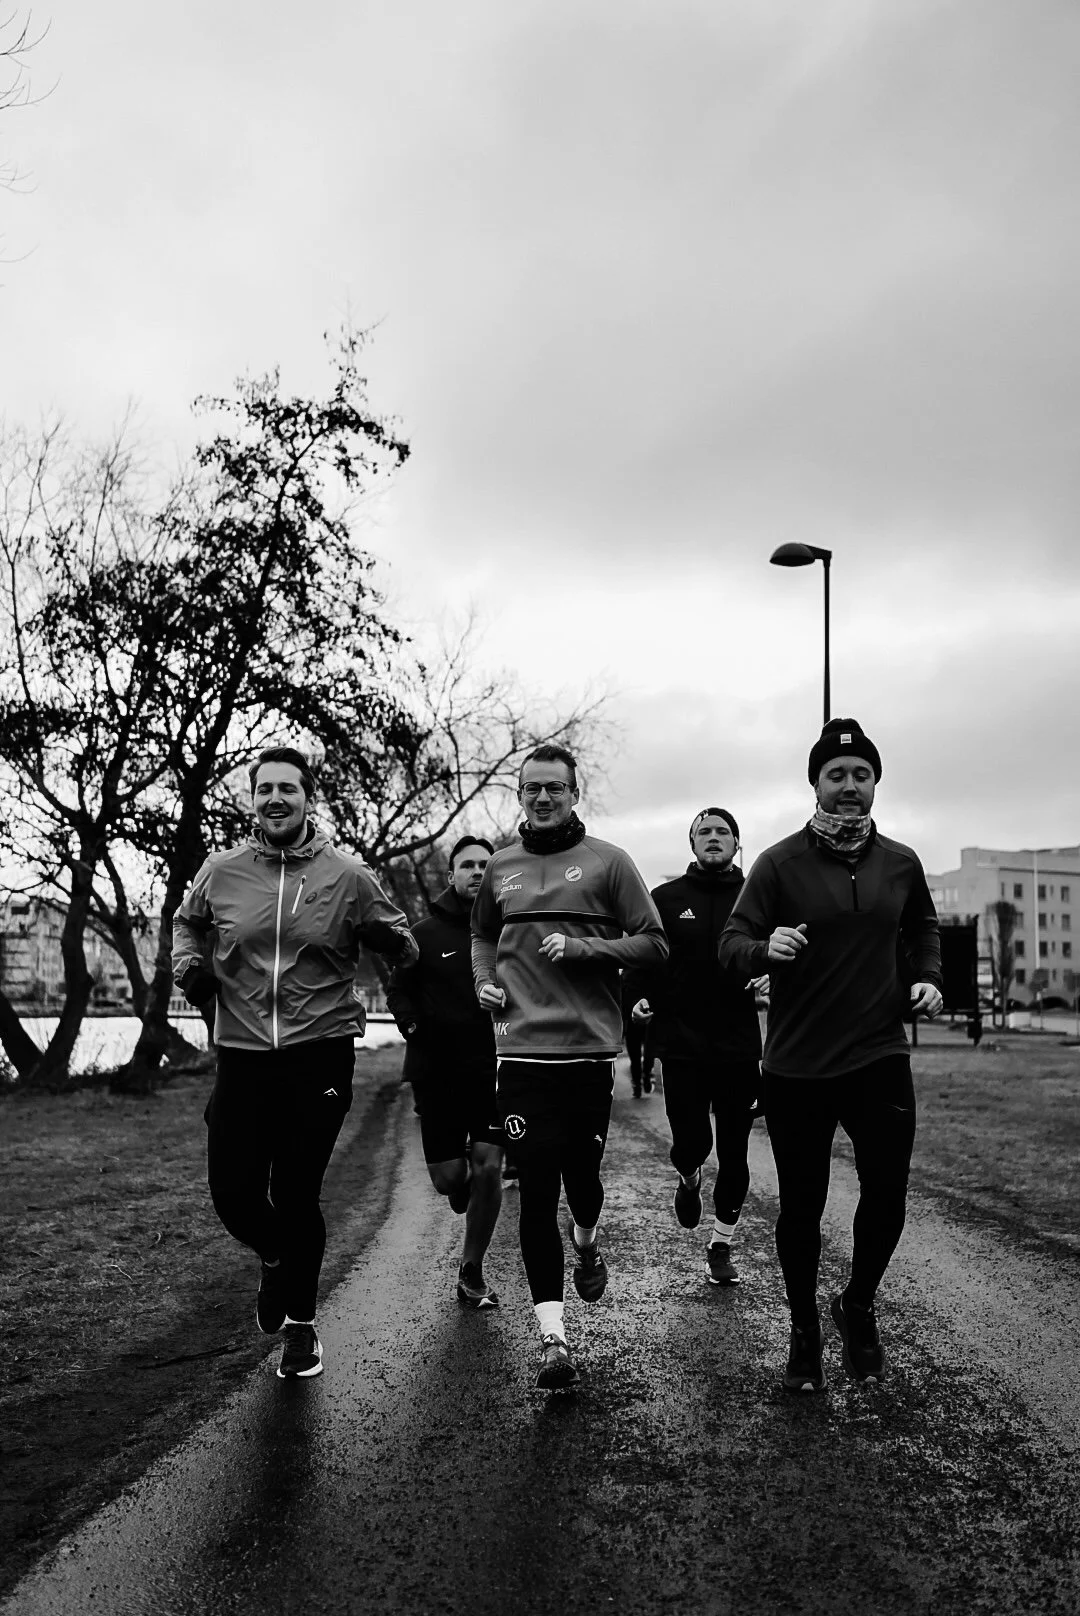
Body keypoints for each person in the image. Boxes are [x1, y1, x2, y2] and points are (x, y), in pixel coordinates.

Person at [172, 746, 417, 1381]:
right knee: (232, 1192)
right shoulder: (221, 870)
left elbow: (404, 942)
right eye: (264, 790)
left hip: (320, 1055)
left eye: (289, 789)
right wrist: (191, 969)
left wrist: (393, 942)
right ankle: (278, 1259)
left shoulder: (347, 876)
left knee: (297, 1190)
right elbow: (185, 923)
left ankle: (302, 1329)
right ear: (252, 801)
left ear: (310, 799)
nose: (276, 798)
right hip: (244, 1055)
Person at [719, 718, 942, 1393]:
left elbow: (923, 924)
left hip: (878, 1055)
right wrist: (766, 950)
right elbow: (731, 942)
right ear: (815, 783)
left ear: (875, 783)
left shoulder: (900, 862)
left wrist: (927, 976)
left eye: (861, 774)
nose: (849, 786)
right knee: (802, 1208)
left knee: (889, 1196)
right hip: (798, 1067)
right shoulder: (779, 863)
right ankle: (804, 1331)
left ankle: (858, 1302)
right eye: (836, 774)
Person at [470, 743, 668, 1390]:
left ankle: (586, 1241)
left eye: (555, 788)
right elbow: (481, 937)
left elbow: (655, 942)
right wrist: (483, 982)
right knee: (536, 1190)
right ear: (519, 794)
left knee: (583, 1183)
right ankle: (553, 1339)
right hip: (521, 1054)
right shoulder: (501, 867)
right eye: (532, 788)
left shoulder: (610, 863)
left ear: (574, 794)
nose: (543, 798)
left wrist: (587, 949)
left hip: (586, 1054)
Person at [627, 808, 763, 1286]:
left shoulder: (756, 898)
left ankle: (721, 1243)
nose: (713, 838)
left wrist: (770, 975)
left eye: (722, 832)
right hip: (681, 1044)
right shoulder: (664, 899)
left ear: (736, 843)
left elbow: (777, 952)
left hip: (738, 1046)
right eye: (703, 831)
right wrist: (639, 997)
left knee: (735, 1151)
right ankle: (688, 1178)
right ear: (691, 844)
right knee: (692, 1144)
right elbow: (643, 957)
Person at [387, 836, 504, 1310]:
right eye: (468, 865)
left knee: (490, 1166)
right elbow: (399, 992)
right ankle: (461, 1183)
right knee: (448, 1179)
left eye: (486, 865)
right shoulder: (423, 933)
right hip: (436, 1070)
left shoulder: (511, 931)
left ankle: (471, 1270)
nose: (477, 872)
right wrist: (413, 1025)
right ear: (451, 875)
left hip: (495, 1070)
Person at [621, 973, 656, 1098]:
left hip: (637, 1012)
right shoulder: (650, 960)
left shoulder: (628, 964)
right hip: (645, 1011)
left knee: (636, 1051)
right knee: (646, 1048)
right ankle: (644, 1077)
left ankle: (639, 1082)